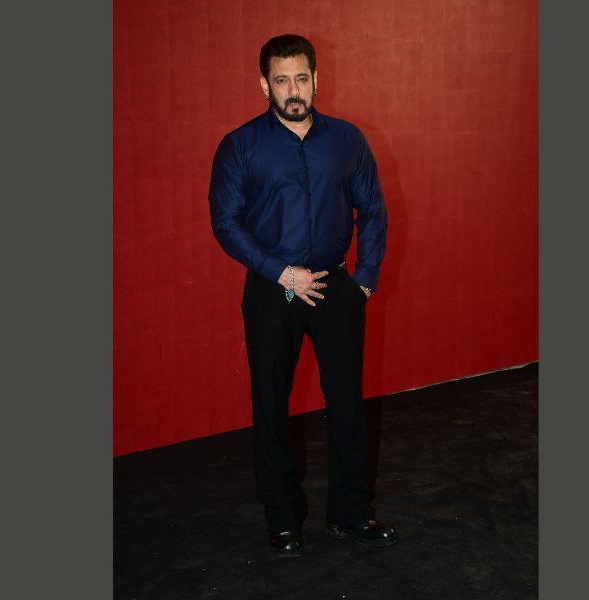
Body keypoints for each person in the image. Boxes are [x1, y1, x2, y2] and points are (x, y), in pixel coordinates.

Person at [208, 34, 396, 557]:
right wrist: (280, 272)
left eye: (302, 78)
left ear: (317, 79)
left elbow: (372, 210)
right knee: (271, 405)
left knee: (348, 405)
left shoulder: (347, 140)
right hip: (274, 292)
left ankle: (350, 513)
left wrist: (365, 278)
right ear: (263, 84)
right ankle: (283, 518)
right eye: (282, 79)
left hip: (337, 288)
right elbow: (225, 222)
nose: (293, 90)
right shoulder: (240, 146)